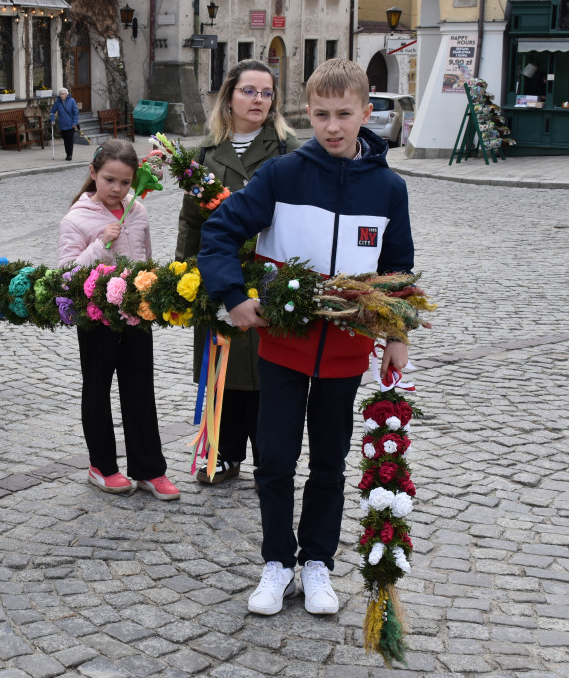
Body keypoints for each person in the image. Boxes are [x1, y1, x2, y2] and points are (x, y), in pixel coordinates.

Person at [197, 58, 414, 616]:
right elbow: (219, 231)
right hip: (283, 345)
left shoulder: (389, 188)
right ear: (307, 114)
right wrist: (233, 296)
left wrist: (396, 333)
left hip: (344, 351)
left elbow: (397, 269)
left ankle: (317, 562)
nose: (333, 127)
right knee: (274, 458)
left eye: (344, 114)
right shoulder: (282, 174)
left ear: (367, 113)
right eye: (321, 115)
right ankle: (277, 562)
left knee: (328, 462)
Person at [176, 59, 300, 486]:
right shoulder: (206, 154)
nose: (259, 100)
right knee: (223, 372)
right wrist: (183, 277)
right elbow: (192, 220)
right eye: (249, 91)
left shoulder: (289, 151)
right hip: (218, 274)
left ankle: (271, 458)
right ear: (229, 97)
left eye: (266, 93)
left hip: (270, 277)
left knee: (270, 371)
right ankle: (224, 456)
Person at [58, 139, 180, 502]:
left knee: (140, 387)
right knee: (97, 387)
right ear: (93, 173)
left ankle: (150, 469)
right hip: (95, 317)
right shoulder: (75, 218)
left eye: (125, 182)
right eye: (110, 179)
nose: (117, 189)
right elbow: (65, 275)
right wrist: (99, 245)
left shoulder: (137, 211)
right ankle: (103, 465)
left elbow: (146, 257)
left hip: (135, 315)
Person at [49, 87, 80, 161]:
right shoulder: (57, 102)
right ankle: (67, 153)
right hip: (62, 124)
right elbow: (52, 112)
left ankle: (69, 155)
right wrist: (52, 119)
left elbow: (76, 113)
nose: (62, 95)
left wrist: (74, 123)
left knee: (70, 140)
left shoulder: (72, 101)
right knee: (65, 140)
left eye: (63, 94)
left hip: (70, 124)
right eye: (60, 94)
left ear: (66, 94)